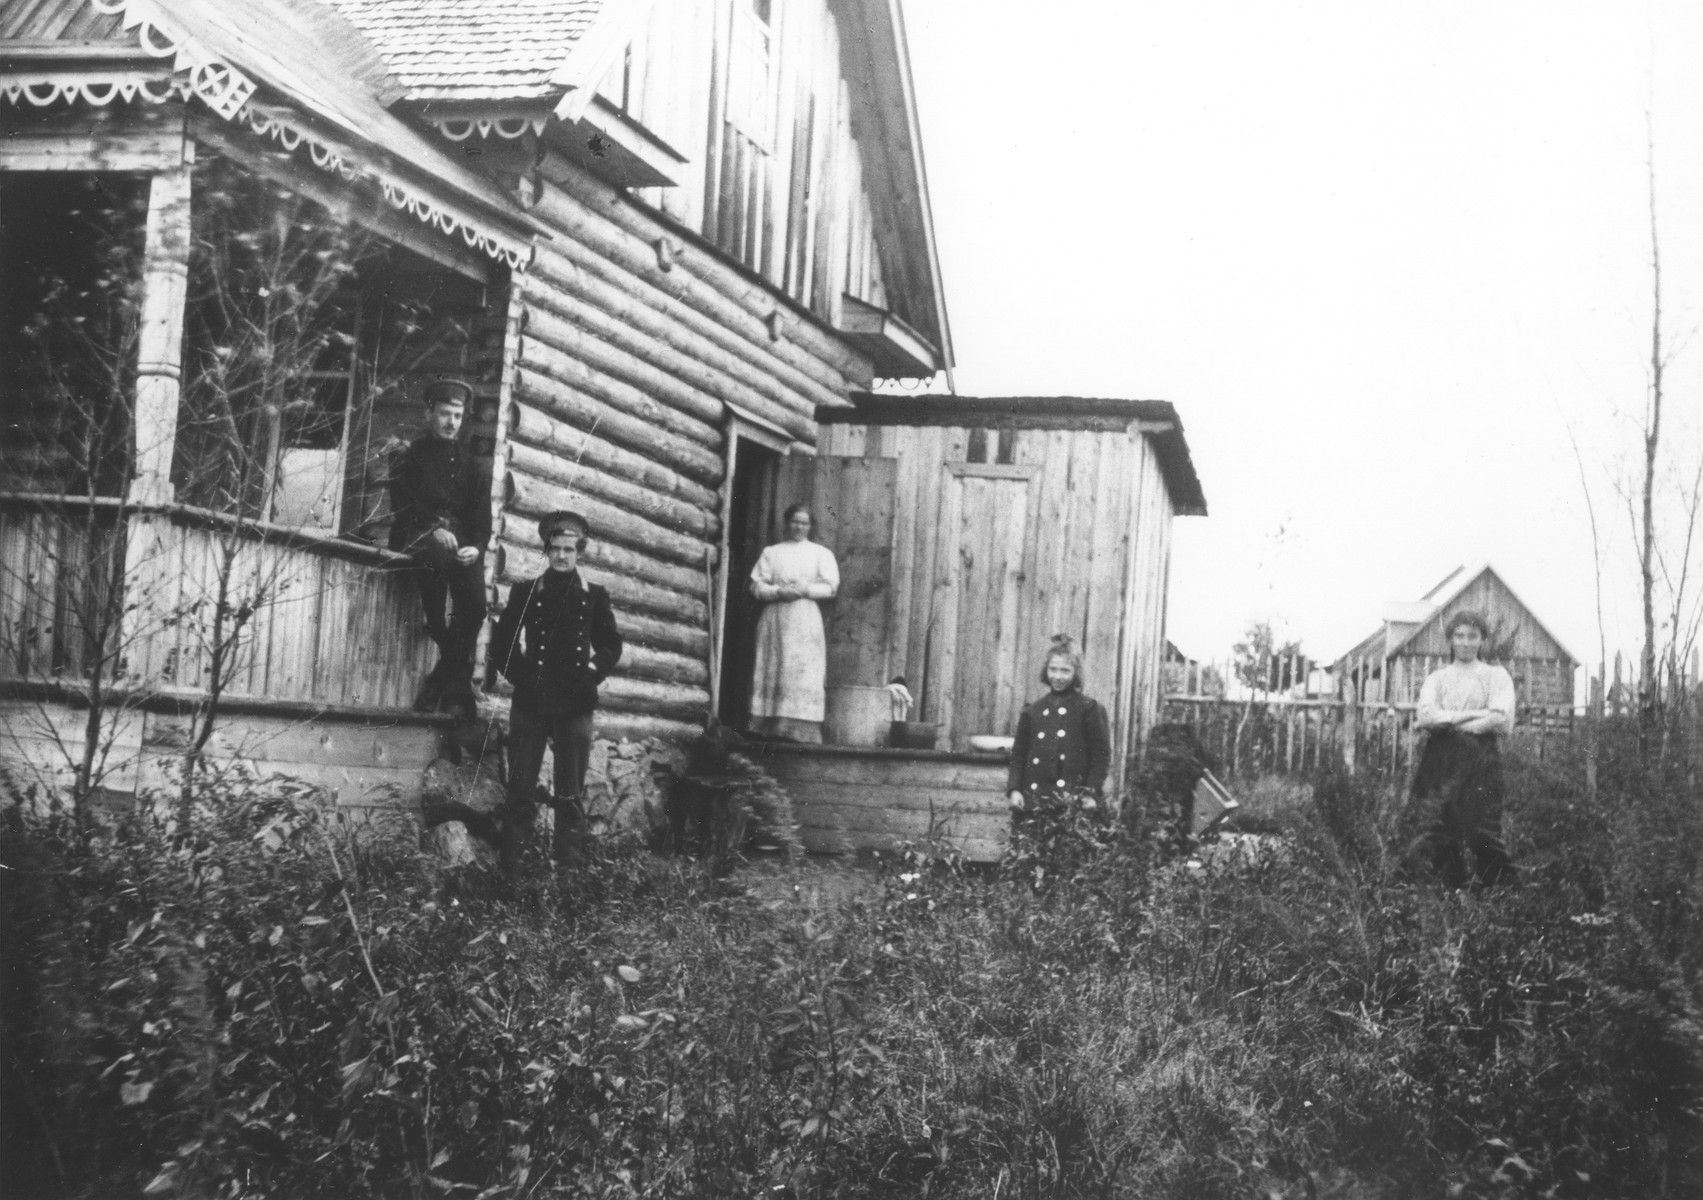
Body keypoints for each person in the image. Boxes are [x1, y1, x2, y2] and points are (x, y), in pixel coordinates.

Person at [488, 511, 623, 871]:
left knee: (570, 795)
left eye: (569, 549)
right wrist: (523, 676)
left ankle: (568, 873)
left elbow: (611, 644)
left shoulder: (593, 596)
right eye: (555, 549)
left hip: (576, 703)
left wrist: (593, 671)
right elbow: (501, 644)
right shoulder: (526, 592)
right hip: (531, 702)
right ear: (546, 551)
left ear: (580, 552)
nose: (562, 556)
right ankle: (512, 874)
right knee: (520, 792)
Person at [388, 378, 490, 714]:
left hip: (458, 543)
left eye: (458, 416)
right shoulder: (410, 456)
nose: (451, 423)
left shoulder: (472, 464)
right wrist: (433, 528)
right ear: (430, 413)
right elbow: (402, 503)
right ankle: (443, 641)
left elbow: (481, 518)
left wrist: (476, 547)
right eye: (445, 414)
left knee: (475, 606)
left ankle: (440, 678)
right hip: (418, 534)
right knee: (435, 568)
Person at [1411, 611, 1519, 888]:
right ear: (1450, 640)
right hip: (1441, 755)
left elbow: (1500, 719)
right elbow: (1426, 718)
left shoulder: (1495, 676)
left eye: (1473, 636)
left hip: (1480, 754)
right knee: (1437, 822)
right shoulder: (1437, 679)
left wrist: (1449, 719)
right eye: (1459, 636)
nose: (1466, 642)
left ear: (1482, 639)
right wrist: (1476, 713)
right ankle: (1449, 893)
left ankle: (1502, 893)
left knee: (1482, 827)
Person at [747, 503, 839, 742]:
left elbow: (830, 587)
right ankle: (768, 725)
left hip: (804, 619)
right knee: (775, 663)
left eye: (804, 523)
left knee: (802, 668)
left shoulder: (820, 553)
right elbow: (757, 586)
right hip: (776, 617)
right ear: (787, 523)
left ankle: (801, 728)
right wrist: (778, 592)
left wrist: (805, 589)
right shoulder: (772, 552)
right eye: (795, 521)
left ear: (811, 526)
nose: (799, 527)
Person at [1007, 634, 1112, 815]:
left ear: (1075, 673)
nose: (1057, 676)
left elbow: (1100, 757)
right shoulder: (1032, 711)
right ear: (1045, 671)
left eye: (1065, 671)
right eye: (1052, 669)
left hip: (1072, 801)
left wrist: (1091, 793)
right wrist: (1015, 789)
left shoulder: (1088, 709)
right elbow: (1018, 756)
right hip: (1034, 801)